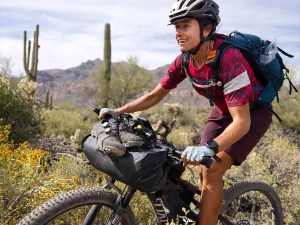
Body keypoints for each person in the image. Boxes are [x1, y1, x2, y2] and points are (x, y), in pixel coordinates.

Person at [98, 0, 272, 224]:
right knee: (203, 169)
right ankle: (208, 210)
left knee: (212, 169)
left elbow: (241, 122)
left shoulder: (229, 58)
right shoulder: (185, 60)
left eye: (185, 26)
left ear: (206, 29)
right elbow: (155, 95)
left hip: (251, 114)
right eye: (176, 27)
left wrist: (210, 148)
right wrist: (119, 110)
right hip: (222, 111)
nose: (179, 33)